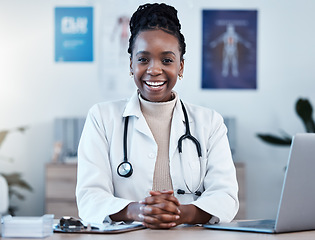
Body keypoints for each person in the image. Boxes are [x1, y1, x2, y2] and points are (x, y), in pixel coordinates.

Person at [76, 3, 239, 229]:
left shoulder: (210, 122)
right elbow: (89, 198)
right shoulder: (101, 118)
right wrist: (139, 211)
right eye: (143, 59)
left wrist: (180, 213)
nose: (154, 69)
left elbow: (226, 197)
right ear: (131, 65)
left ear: (180, 67)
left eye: (167, 60)